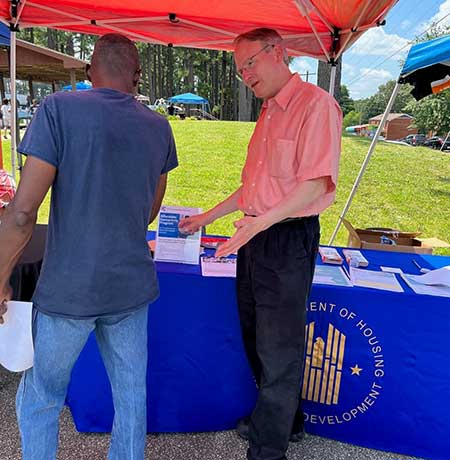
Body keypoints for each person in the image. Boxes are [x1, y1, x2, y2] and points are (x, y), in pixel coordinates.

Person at [0, 33, 177, 460]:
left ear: (89, 71)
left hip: (69, 290)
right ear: (137, 76)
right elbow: (151, 210)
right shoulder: (159, 126)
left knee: (42, 396)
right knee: (131, 401)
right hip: (131, 288)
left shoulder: (58, 110)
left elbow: (22, 213)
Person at [179, 28, 342, 460]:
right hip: (255, 235)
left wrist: (259, 225)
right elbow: (252, 188)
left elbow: (315, 185)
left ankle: (267, 449)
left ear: (279, 52)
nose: (245, 75)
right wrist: (207, 218)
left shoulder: (316, 105)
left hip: (286, 238)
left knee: (280, 345)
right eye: (239, 69)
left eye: (250, 62)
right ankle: (287, 419)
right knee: (255, 335)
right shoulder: (269, 112)